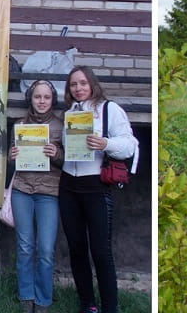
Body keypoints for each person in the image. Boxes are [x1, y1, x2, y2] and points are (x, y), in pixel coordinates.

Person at [60, 66, 138, 313]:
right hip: (69, 185)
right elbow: (66, 151)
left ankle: (110, 307)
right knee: (76, 248)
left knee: (101, 252)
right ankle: (87, 304)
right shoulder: (69, 112)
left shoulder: (109, 109)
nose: (78, 88)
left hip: (95, 186)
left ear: (92, 83)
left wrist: (105, 143)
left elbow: (128, 145)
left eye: (83, 83)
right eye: (73, 84)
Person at [8, 80, 65, 313]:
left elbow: (68, 161)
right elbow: (13, 158)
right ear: (30, 99)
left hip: (49, 192)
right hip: (22, 190)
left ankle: (42, 300)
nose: (41, 101)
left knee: (46, 249)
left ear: (53, 100)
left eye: (46, 97)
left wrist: (57, 153)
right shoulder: (20, 124)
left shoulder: (61, 127)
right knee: (24, 246)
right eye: (37, 97)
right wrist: (12, 155)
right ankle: (26, 297)